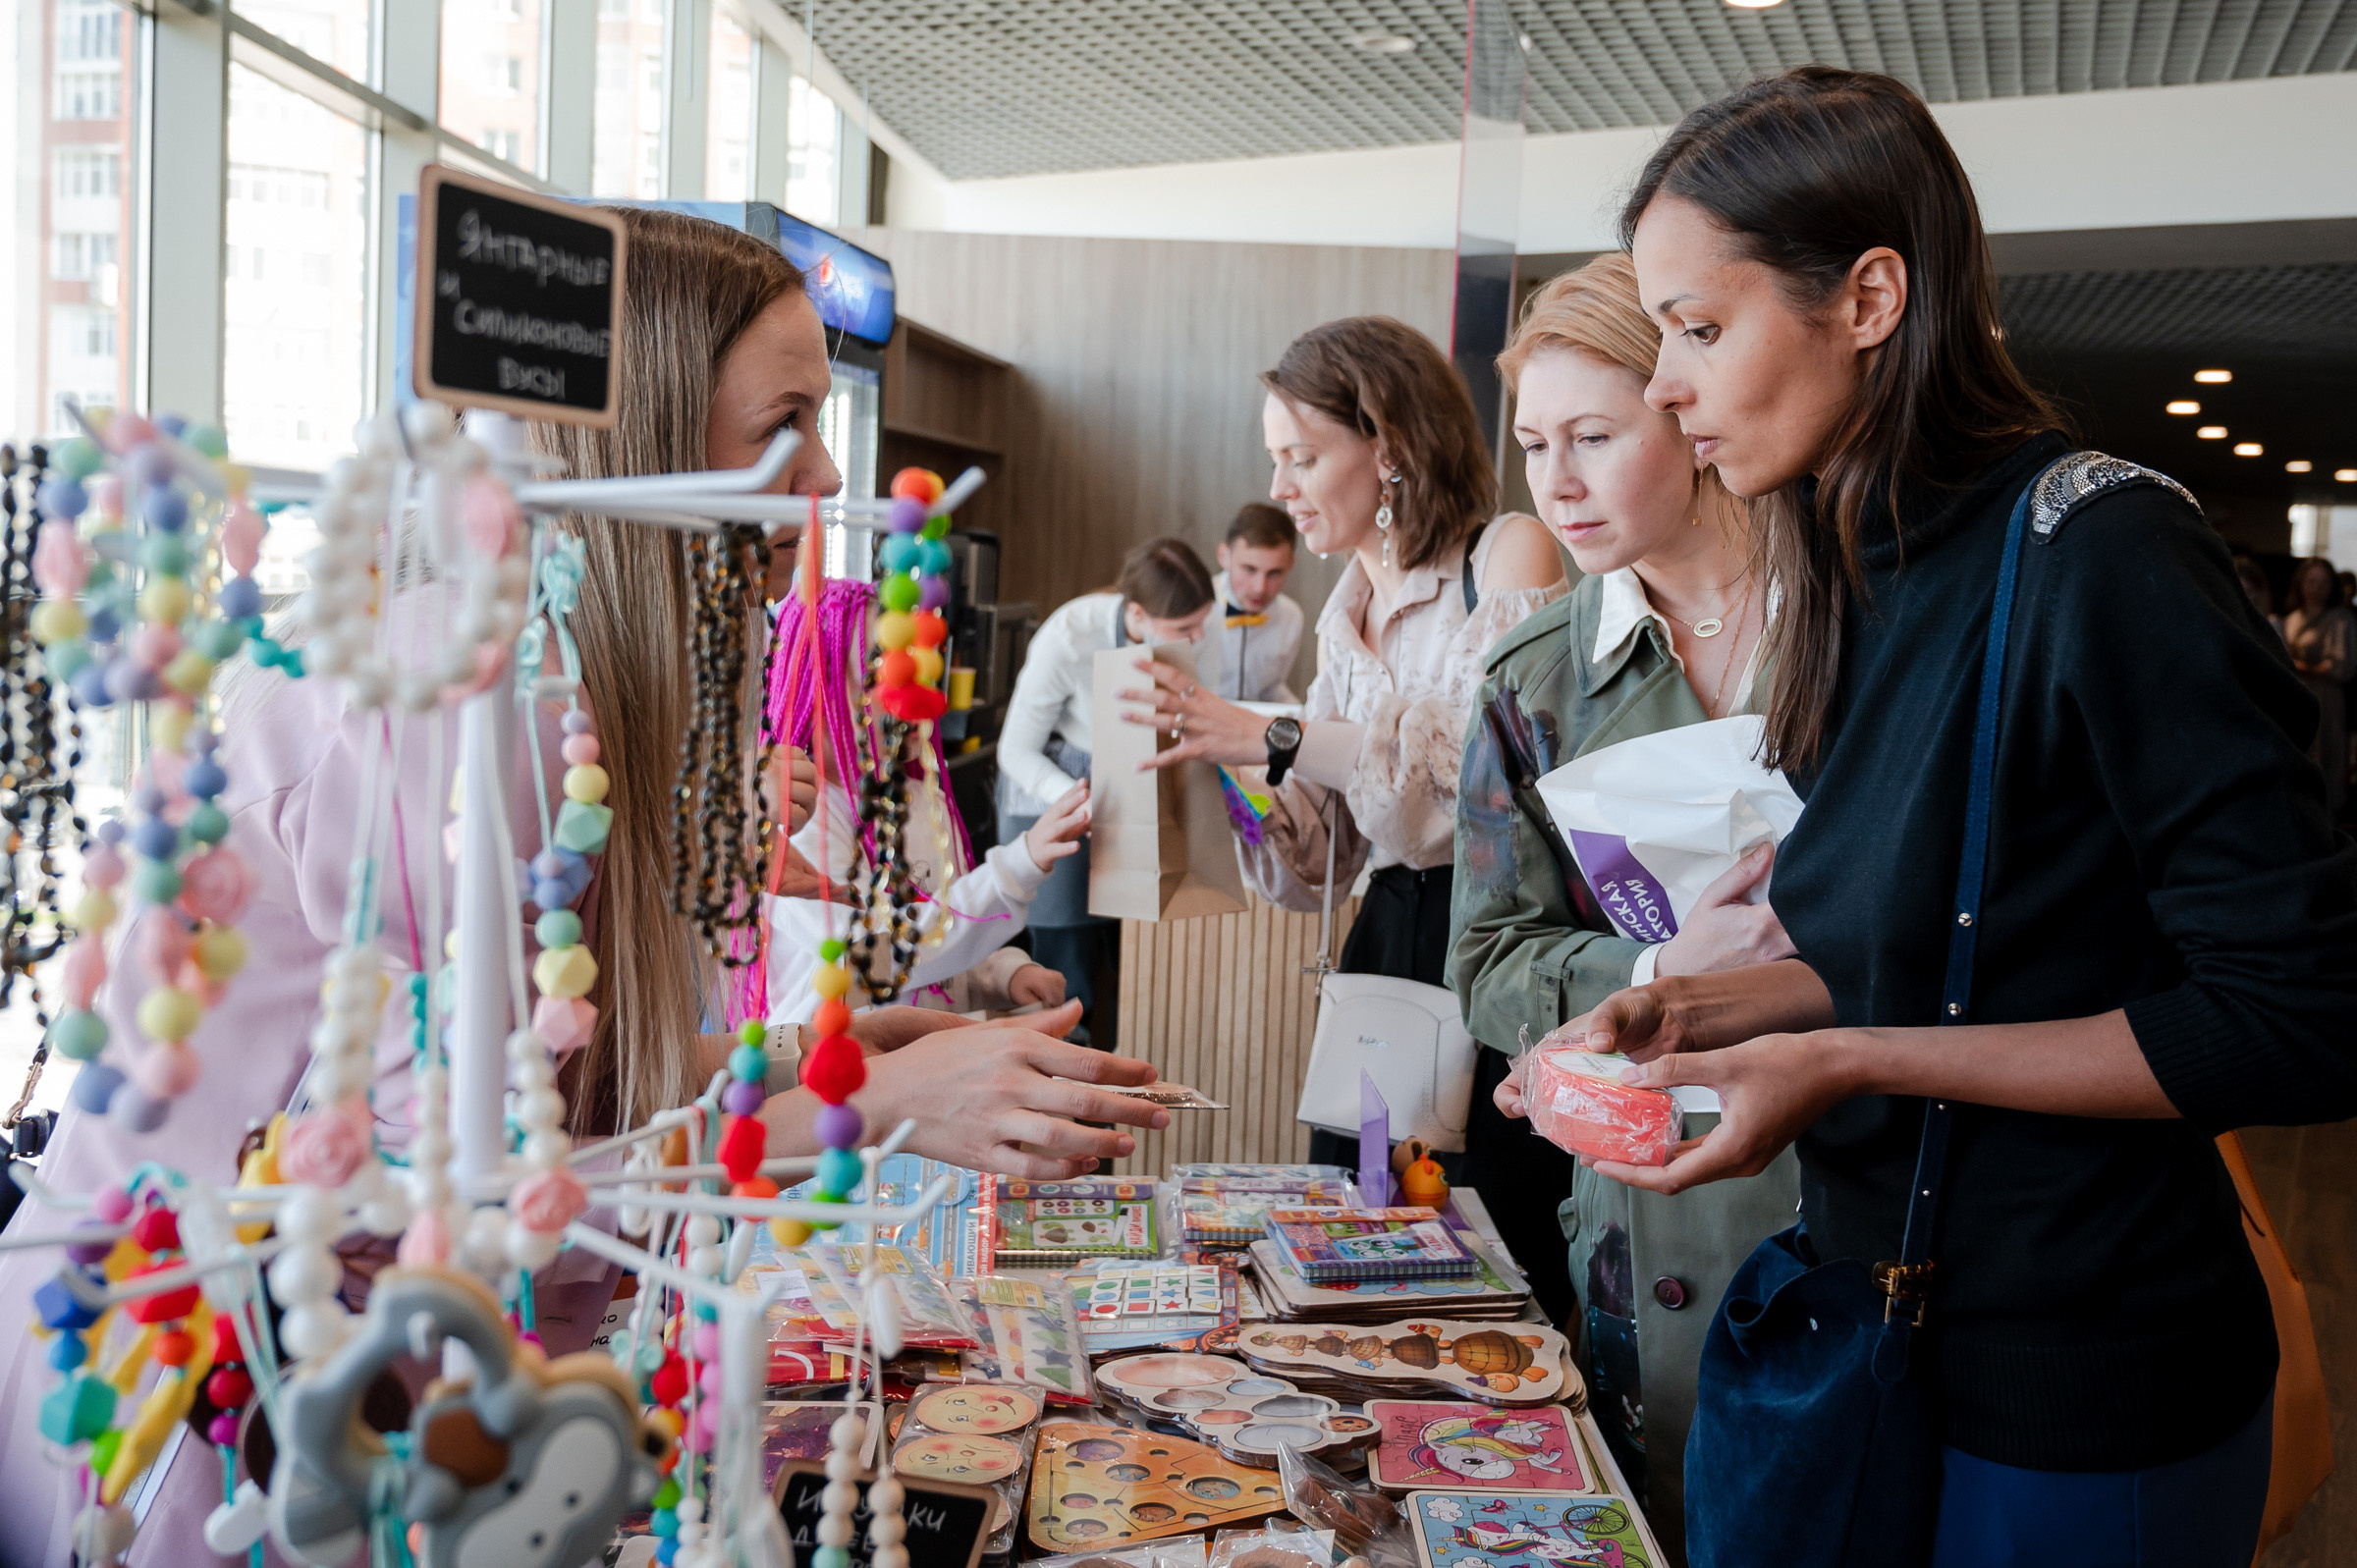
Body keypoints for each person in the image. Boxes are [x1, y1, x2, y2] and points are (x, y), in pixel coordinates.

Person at [0, 208, 1169, 1565]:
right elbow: (445, 1192)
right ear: (651, 446)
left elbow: (520, 1072)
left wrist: (809, 1053)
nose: (833, 467)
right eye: (785, 418)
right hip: (190, 1432)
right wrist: (853, 1107)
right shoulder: (469, 699)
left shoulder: (600, 691)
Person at [1530, 67, 2357, 1566]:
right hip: (1884, 1323)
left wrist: (1841, 1054)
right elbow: (1952, 945)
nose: (1661, 384)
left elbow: (2298, 1014)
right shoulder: (1861, 563)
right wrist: (1696, 1014)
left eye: (1700, 330)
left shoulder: (2103, 553)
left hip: (2083, 1375)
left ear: (1870, 297)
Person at [1447, 252, 1797, 1545]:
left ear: (1689, 409)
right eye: (1536, 443)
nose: (1556, 482)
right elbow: (1486, 958)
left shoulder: (1862, 628)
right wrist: (1656, 978)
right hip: (1648, 1211)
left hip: (1880, 1171)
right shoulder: (1535, 683)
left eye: (1594, 435)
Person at [1119, 315, 1568, 1300]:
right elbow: (1325, 855)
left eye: (1302, 456)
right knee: (1363, 1247)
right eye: (1276, 460)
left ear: (1391, 447)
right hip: (1386, 946)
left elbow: (1484, 778)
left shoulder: (1507, 554)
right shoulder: (1346, 609)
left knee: (1484, 1254)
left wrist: (1275, 737)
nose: (1280, 488)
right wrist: (1221, 777)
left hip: (1492, 950)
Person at [763, 575, 1081, 1021]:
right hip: (838, 1077)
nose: (913, 692)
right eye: (881, 672)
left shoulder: (917, 799)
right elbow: (876, 952)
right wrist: (1014, 870)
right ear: (816, 696)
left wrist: (1001, 974)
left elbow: (941, 943)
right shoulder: (797, 822)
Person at [996, 537, 1222, 1048]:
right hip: (1053, 788)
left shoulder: (1190, 630)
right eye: (1186, 628)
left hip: (1133, 782)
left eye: (1202, 623)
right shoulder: (1069, 636)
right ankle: (1063, 1094)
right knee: (1066, 967)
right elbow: (1014, 752)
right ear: (1137, 614)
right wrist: (1081, 800)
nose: (1199, 636)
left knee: (1136, 953)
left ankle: (1118, 1073)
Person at [2281, 556, 2353, 815]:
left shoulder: (2339, 619)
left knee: (2324, 759)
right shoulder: (2291, 619)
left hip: (2326, 699)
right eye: (2311, 581)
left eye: (2322, 583)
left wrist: (2299, 665)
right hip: (2296, 696)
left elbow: (2341, 667)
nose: (2316, 589)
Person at [1214, 502, 1305, 702]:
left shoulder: (1292, 616)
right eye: (1249, 569)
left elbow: (1272, 689)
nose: (1260, 588)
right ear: (1224, 556)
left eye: (1274, 573)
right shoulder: (1194, 608)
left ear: (1291, 563)